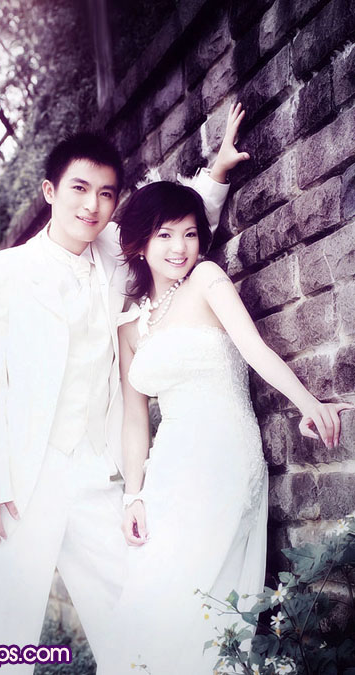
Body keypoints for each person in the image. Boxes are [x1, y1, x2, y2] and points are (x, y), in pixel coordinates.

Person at [0, 107, 246, 673]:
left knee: (132, 611)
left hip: (94, 471)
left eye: (106, 194)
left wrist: (217, 173)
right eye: (79, 189)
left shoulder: (116, 249)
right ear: (50, 191)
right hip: (18, 482)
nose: (92, 205)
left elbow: (173, 231)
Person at [96, 178, 351, 675]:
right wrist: (133, 496)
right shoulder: (128, 327)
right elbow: (134, 418)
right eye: (165, 234)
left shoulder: (206, 279)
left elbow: (255, 349)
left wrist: (308, 403)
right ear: (140, 243)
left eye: (190, 234)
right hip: (168, 468)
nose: (180, 247)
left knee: (192, 591)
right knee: (151, 588)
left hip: (223, 457)